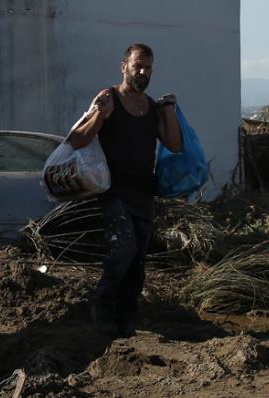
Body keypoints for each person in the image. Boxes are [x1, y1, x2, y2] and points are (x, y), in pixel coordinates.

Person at [66, 43, 182, 337]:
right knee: (123, 249)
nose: (143, 72)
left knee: (138, 260)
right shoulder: (109, 98)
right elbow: (76, 140)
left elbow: (175, 145)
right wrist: (99, 114)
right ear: (124, 66)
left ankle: (128, 318)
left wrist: (168, 111)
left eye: (148, 67)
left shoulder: (152, 107)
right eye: (137, 66)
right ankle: (102, 307)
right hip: (112, 192)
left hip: (143, 192)